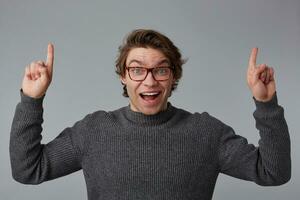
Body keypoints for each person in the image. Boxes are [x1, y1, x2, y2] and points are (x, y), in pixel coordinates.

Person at [10, 29, 291, 200]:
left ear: (173, 76)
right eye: (137, 69)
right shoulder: (94, 131)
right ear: (123, 76)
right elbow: (27, 170)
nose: (149, 81)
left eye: (160, 69)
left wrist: (266, 104)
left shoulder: (206, 133)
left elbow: (274, 172)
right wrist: (32, 99)